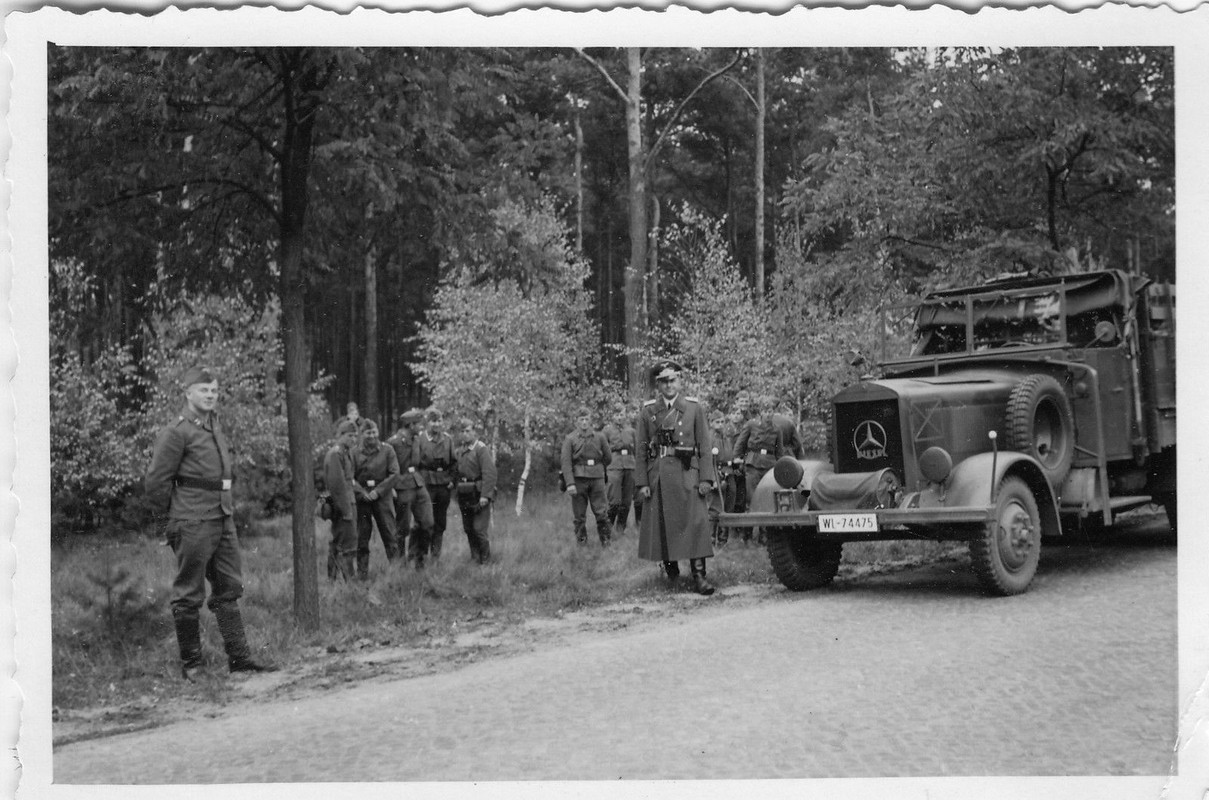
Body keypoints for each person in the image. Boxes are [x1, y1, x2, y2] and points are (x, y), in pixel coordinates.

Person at [144, 366, 275, 680]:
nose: (210, 396)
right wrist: (169, 521)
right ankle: (193, 665)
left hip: (221, 516)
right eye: (204, 390)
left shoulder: (214, 425)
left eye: (214, 391)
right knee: (188, 593)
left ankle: (239, 659)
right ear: (188, 393)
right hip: (192, 519)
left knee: (228, 588)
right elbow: (155, 482)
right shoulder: (177, 432)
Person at [635, 360, 718, 595]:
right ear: (657, 385)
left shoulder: (693, 408)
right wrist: (642, 482)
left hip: (688, 473)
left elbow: (704, 445)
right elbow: (641, 448)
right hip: (660, 476)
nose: (669, 385)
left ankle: (699, 576)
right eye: (663, 381)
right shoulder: (649, 411)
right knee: (663, 525)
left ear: (680, 381)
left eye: (672, 380)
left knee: (696, 524)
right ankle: (672, 574)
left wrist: (706, 479)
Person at [734, 395, 787, 544]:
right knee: (751, 499)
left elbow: (780, 452)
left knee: (767, 500)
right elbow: (740, 444)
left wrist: (780, 466)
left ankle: (765, 536)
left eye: (771, 411)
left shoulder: (777, 429)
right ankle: (747, 535)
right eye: (766, 411)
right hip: (753, 465)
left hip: (769, 466)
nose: (769, 414)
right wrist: (737, 459)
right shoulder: (751, 425)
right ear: (761, 412)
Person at [386, 408, 436, 568]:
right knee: (402, 528)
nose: (421, 428)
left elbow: (421, 462)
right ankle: (400, 563)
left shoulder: (417, 440)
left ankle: (418, 558)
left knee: (427, 522)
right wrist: (391, 488)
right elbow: (386, 468)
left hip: (418, 484)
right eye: (419, 424)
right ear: (410, 425)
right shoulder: (393, 442)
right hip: (401, 486)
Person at [352, 420, 401, 578]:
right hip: (362, 501)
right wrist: (361, 493)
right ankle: (362, 575)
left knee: (390, 535)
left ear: (378, 432)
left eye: (374, 432)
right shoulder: (354, 452)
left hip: (383, 498)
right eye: (368, 433)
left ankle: (396, 574)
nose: (372, 435)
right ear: (362, 434)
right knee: (362, 537)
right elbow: (349, 477)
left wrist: (378, 492)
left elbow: (394, 474)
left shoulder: (388, 450)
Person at [561, 406, 613, 547]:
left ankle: (606, 542)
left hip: (597, 479)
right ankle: (582, 545)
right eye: (581, 419)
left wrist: (598, 468)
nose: (584, 422)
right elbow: (566, 463)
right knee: (579, 516)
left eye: (586, 419)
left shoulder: (600, 437)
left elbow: (608, 458)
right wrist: (570, 484)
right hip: (578, 481)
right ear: (577, 421)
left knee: (601, 512)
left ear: (591, 421)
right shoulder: (570, 439)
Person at [453, 417, 497, 564]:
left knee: (479, 529)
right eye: (462, 431)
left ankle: (486, 561)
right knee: (468, 528)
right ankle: (475, 559)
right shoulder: (460, 451)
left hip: (479, 495)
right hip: (465, 495)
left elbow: (489, 474)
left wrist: (485, 495)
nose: (465, 434)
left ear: (474, 432)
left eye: (468, 431)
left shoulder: (481, 449)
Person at [415, 408, 456, 561]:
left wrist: (452, 480)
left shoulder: (448, 439)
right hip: (426, 484)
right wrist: (419, 483)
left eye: (439, 421)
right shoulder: (420, 440)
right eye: (433, 421)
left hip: (444, 484)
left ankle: (435, 556)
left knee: (440, 522)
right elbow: (416, 464)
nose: (436, 424)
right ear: (427, 422)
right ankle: (422, 555)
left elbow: (454, 463)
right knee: (426, 521)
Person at [324, 419, 361, 580]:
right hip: (343, 505)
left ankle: (335, 579)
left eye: (355, 436)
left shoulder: (346, 452)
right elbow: (337, 485)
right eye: (350, 436)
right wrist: (346, 510)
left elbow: (349, 480)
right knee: (347, 544)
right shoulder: (336, 453)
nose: (353, 439)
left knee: (341, 541)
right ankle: (348, 582)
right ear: (341, 435)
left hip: (349, 502)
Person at [602, 404, 639, 538]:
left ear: (625, 415)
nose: (619, 418)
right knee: (614, 501)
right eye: (616, 415)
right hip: (614, 466)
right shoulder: (606, 432)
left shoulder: (631, 431)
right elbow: (603, 452)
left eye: (621, 414)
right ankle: (607, 530)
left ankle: (620, 529)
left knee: (626, 501)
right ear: (612, 416)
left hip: (630, 466)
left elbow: (636, 452)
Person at [707, 410, 737, 548]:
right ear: (711, 423)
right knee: (715, 507)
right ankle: (711, 541)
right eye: (717, 422)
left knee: (728, 506)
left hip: (729, 472)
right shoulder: (709, 438)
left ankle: (723, 540)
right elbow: (707, 460)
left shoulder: (726, 437)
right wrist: (713, 479)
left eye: (722, 422)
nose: (720, 424)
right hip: (716, 473)